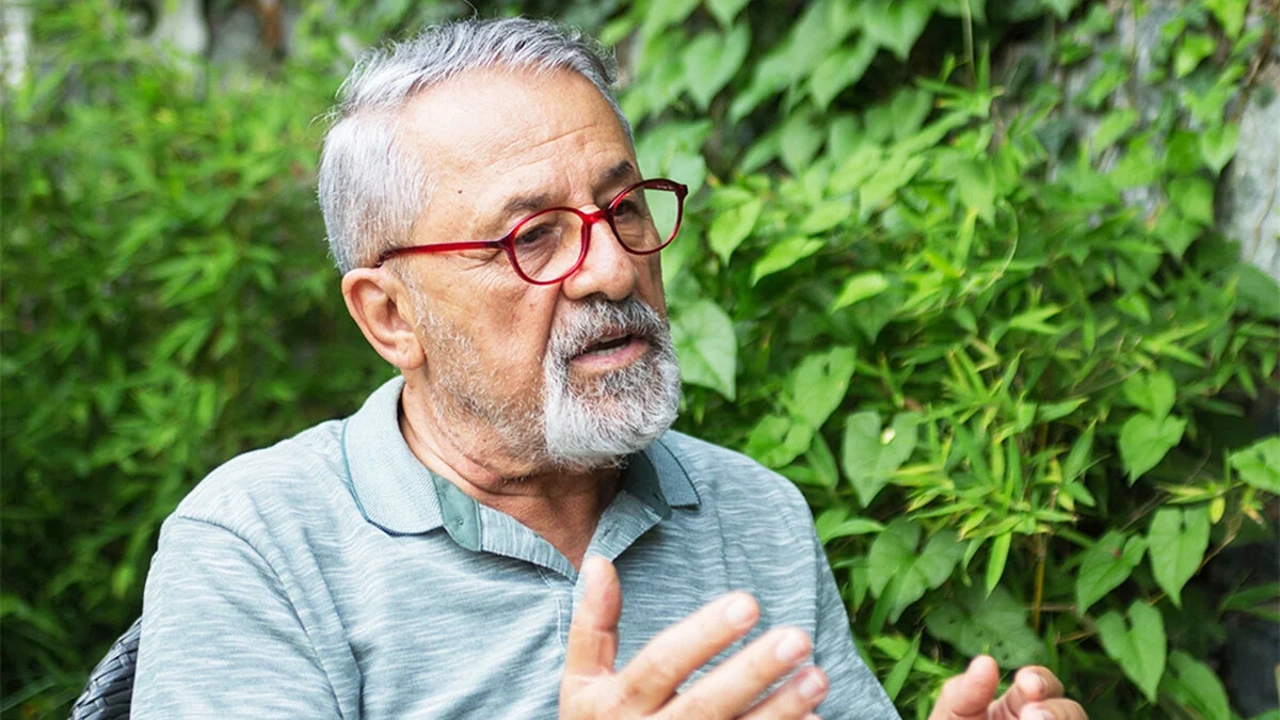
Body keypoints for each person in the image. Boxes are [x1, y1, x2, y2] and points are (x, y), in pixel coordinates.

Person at [131, 17, 1087, 720]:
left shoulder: (752, 514)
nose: (614, 267)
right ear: (391, 316)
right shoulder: (261, 549)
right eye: (532, 237)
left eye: (623, 208)